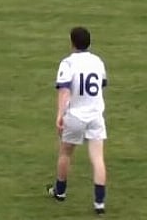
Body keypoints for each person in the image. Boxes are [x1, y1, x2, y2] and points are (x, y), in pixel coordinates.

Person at [46, 27, 108, 216]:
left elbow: (64, 91)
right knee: (98, 159)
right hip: (96, 115)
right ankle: (99, 203)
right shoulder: (98, 61)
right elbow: (101, 85)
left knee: (65, 153)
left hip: (75, 115)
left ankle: (60, 191)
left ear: (72, 42)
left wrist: (59, 114)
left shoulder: (68, 63)